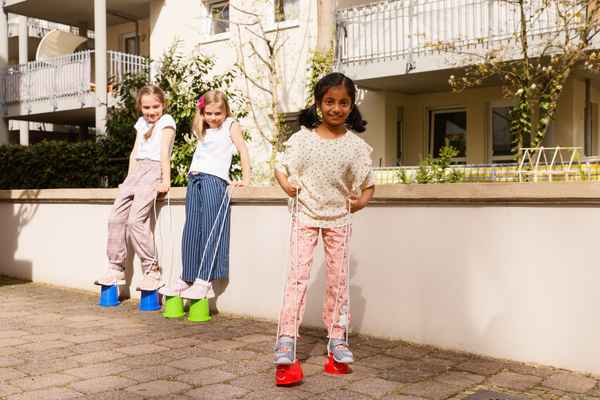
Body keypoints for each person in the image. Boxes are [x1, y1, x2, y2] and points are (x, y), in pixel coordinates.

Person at [273, 72, 375, 365]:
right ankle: (287, 337)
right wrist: (286, 185)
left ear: (351, 106)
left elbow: (368, 184)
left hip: (339, 220)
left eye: (344, 103)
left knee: (338, 281)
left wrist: (360, 203)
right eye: (329, 101)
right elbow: (281, 168)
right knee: (298, 277)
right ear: (318, 103)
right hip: (305, 214)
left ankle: (337, 336)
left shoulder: (355, 147)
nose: (336, 108)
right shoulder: (303, 140)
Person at [159, 89, 250, 300]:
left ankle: (204, 281)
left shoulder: (230, 125)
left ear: (225, 111)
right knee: (190, 230)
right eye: (208, 113)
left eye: (218, 113)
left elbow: (243, 151)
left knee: (211, 229)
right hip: (194, 181)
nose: (213, 118)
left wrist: (246, 179)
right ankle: (187, 278)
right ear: (202, 112)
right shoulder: (202, 129)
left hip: (214, 181)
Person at [95, 85, 176, 291]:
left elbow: (164, 152)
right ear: (140, 107)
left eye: (156, 106)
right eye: (146, 107)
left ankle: (152, 271)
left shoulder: (166, 121)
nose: (151, 111)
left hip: (154, 169)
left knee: (136, 220)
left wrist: (166, 179)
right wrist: (128, 179)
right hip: (137, 170)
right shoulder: (141, 123)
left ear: (164, 105)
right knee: (115, 217)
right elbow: (134, 153)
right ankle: (115, 268)